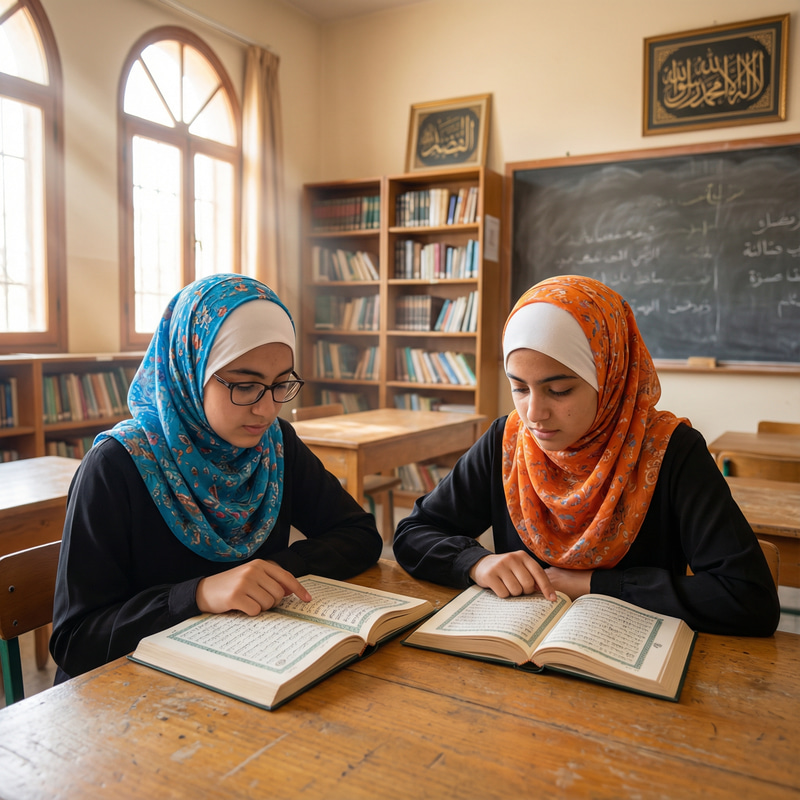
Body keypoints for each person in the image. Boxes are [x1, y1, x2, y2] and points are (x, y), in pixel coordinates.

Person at [393, 275, 780, 636]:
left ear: (609, 377)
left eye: (559, 390)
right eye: (519, 388)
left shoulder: (671, 450)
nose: (534, 413)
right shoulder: (507, 440)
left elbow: (749, 599)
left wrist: (596, 584)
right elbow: (413, 533)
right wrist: (476, 562)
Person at [51, 274, 383, 681]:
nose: (266, 409)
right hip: (134, 691)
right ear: (191, 372)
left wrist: (272, 572)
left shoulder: (273, 445)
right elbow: (76, 640)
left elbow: (359, 534)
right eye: (245, 386)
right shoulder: (118, 464)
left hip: (249, 666)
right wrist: (199, 594)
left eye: (281, 384)